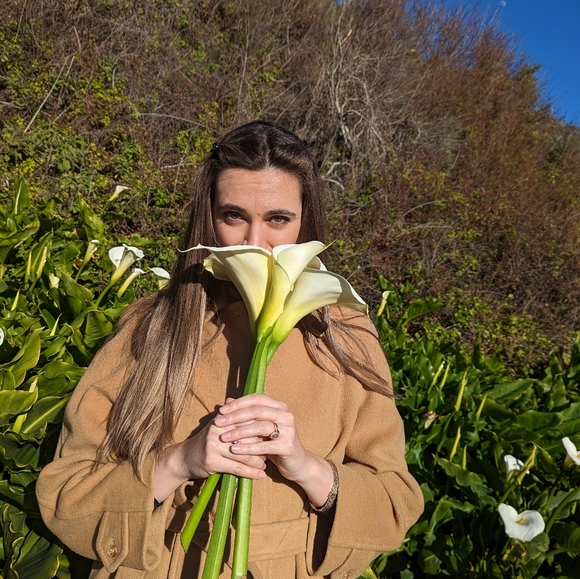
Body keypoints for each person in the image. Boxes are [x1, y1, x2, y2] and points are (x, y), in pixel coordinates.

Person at [36, 121, 424, 579]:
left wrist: (306, 466)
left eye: (278, 219)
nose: (255, 244)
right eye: (234, 216)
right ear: (209, 218)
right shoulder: (151, 327)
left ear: (306, 222)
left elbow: (396, 503)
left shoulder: (345, 337)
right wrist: (180, 461)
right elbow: (66, 493)